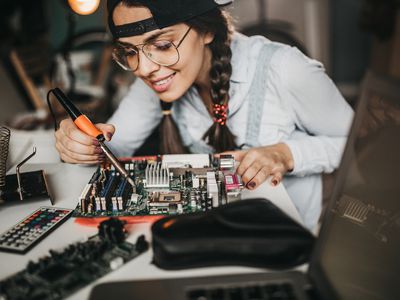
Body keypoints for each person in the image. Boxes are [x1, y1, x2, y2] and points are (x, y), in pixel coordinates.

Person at [54, 0, 354, 229]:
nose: (143, 69)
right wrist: (79, 144)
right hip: (218, 230)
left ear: (206, 30)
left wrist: (286, 154)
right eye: (129, 52)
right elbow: (113, 148)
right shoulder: (156, 80)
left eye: (161, 45)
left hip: (293, 236)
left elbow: (364, 144)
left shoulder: (285, 69)